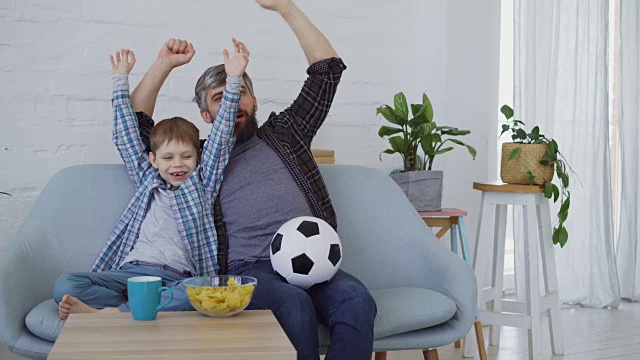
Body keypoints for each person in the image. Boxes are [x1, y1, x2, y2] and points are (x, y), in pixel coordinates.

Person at [52, 39, 250, 320]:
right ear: (153, 160)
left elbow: (221, 135)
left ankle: (109, 315)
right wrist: (120, 80)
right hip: (131, 273)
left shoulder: (202, 183)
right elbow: (125, 137)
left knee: (195, 295)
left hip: (176, 279)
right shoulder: (148, 179)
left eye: (186, 157)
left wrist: (234, 80)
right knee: (66, 285)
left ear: (199, 157)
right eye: (168, 158)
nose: (178, 165)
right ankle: (131, 308)